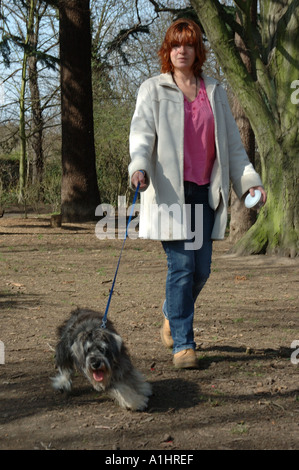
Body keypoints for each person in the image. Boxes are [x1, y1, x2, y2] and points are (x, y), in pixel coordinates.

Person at [128, 18, 266, 369]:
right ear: (167, 50)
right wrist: (138, 167)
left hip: (204, 194)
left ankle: (170, 312)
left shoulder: (214, 91)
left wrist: (250, 183)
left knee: (201, 270)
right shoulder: (153, 89)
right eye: (175, 44)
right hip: (170, 196)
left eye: (188, 44)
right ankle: (184, 345)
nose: (181, 50)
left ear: (197, 50)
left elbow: (233, 149)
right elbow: (141, 135)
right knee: (182, 267)